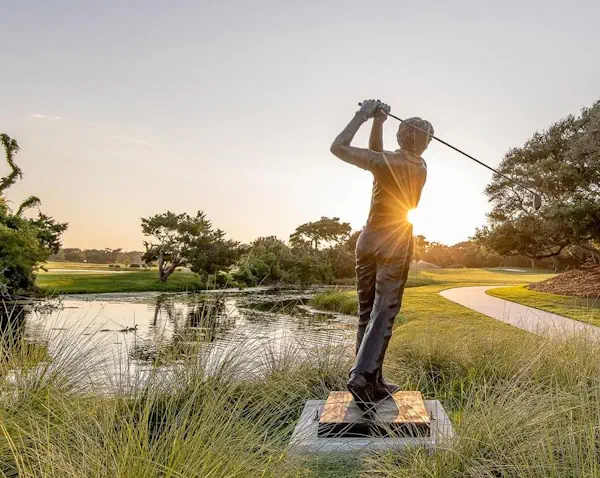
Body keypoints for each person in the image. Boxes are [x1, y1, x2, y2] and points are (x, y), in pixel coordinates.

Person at [330, 99, 433, 410]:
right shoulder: (420, 167)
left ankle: (372, 381)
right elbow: (375, 154)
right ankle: (362, 375)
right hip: (395, 243)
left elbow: (342, 147)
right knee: (384, 313)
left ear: (401, 137)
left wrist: (367, 117)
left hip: (368, 241)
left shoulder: (386, 162)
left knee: (367, 313)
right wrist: (378, 122)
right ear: (425, 143)